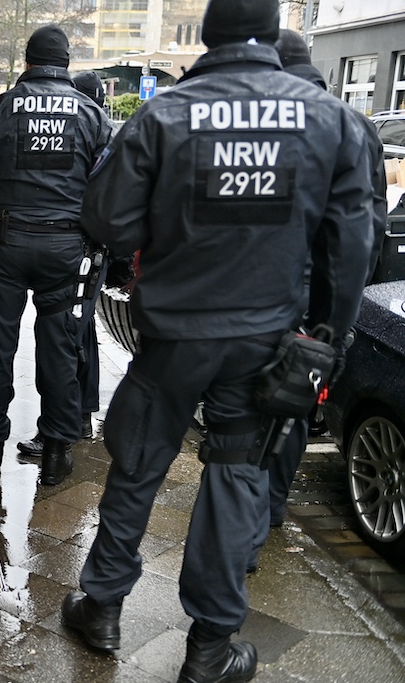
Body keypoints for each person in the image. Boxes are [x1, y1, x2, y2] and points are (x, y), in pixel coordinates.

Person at [61, 3, 374, 683]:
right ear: (270, 33)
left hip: (174, 332)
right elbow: (352, 243)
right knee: (238, 476)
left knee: (139, 461)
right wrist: (329, 333)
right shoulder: (330, 119)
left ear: (205, 37)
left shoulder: (165, 114)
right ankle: (210, 646)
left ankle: (104, 604)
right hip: (266, 337)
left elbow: (106, 216)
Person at [0, 25, 113, 485]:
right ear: (67, 62)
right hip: (67, 247)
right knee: (60, 346)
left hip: (6, 243)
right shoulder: (92, 116)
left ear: (27, 61)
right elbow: (111, 191)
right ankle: (56, 451)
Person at [262, 28, 388, 533]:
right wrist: (347, 305)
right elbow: (369, 227)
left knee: (254, 397)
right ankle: (268, 511)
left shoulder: (266, 120)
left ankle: (242, 507)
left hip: (270, 287)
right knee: (297, 399)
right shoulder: (356, 125)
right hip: (327, 296)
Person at [16, 69, 114, 457]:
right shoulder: (100, 131)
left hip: (78, 249)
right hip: (91, 250)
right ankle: (79, 415)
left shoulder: (81, 131)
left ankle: (62, 426)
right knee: (78, 335)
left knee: (62, 341)